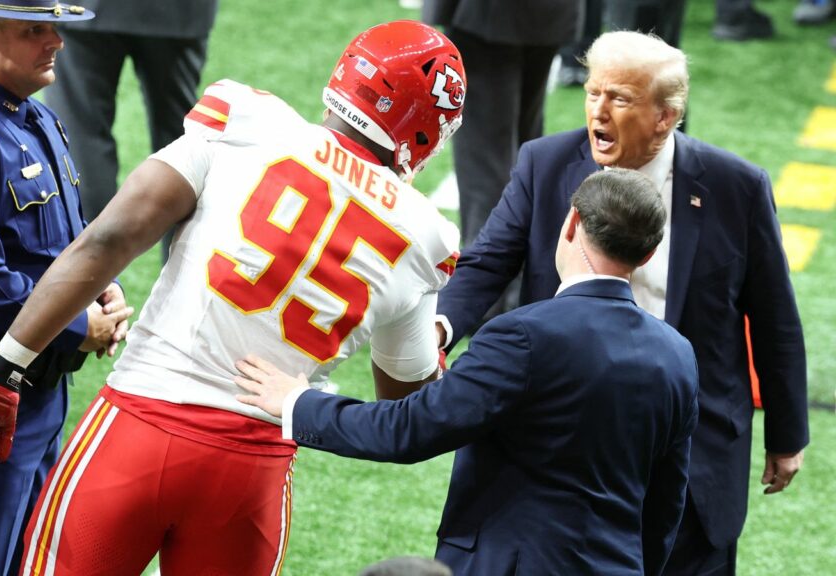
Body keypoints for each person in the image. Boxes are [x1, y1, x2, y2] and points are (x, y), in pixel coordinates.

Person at [0, 19, 465, 575]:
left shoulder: (247, 117)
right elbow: (402, 401)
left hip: (141, 422)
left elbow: (111, 237)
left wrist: (4, 365)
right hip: (253, 466)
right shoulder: (425, 233)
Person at [435, 31, 808, 575]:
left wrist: (787, 434)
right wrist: (440, 328)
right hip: (566, 432)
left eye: (621, 98)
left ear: (666, 116)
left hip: (689, 442)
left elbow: (775, 317)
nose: (598, 112)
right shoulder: (544, 164)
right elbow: (490, 260)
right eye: (592, 93)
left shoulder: (737, 187)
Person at [235, 168, 700, 576]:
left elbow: (408, 430)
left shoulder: (522, 336)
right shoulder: (677, 356)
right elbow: (665, 507)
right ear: (647, 253)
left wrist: (298, 403)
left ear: (572, 223)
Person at [0, 1, 134, 574]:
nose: (56, 42)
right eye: (35, 30)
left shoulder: (31, 114)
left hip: (42, 387)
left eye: (55, 27)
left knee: (26, 554)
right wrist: (77, 322)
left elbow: (68, 235)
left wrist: (102, 288)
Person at [43, 0, 218, 229]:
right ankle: (187, 264)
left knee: (79, 139)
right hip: (177, 11)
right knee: (182, 142)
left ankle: (87, 263)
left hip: (82, 7)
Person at [422, 0, 579, 248]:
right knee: (525, 144)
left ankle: (491, 275)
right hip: (549, 13)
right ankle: (522, 265)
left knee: (487, 158)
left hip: (485, 17)